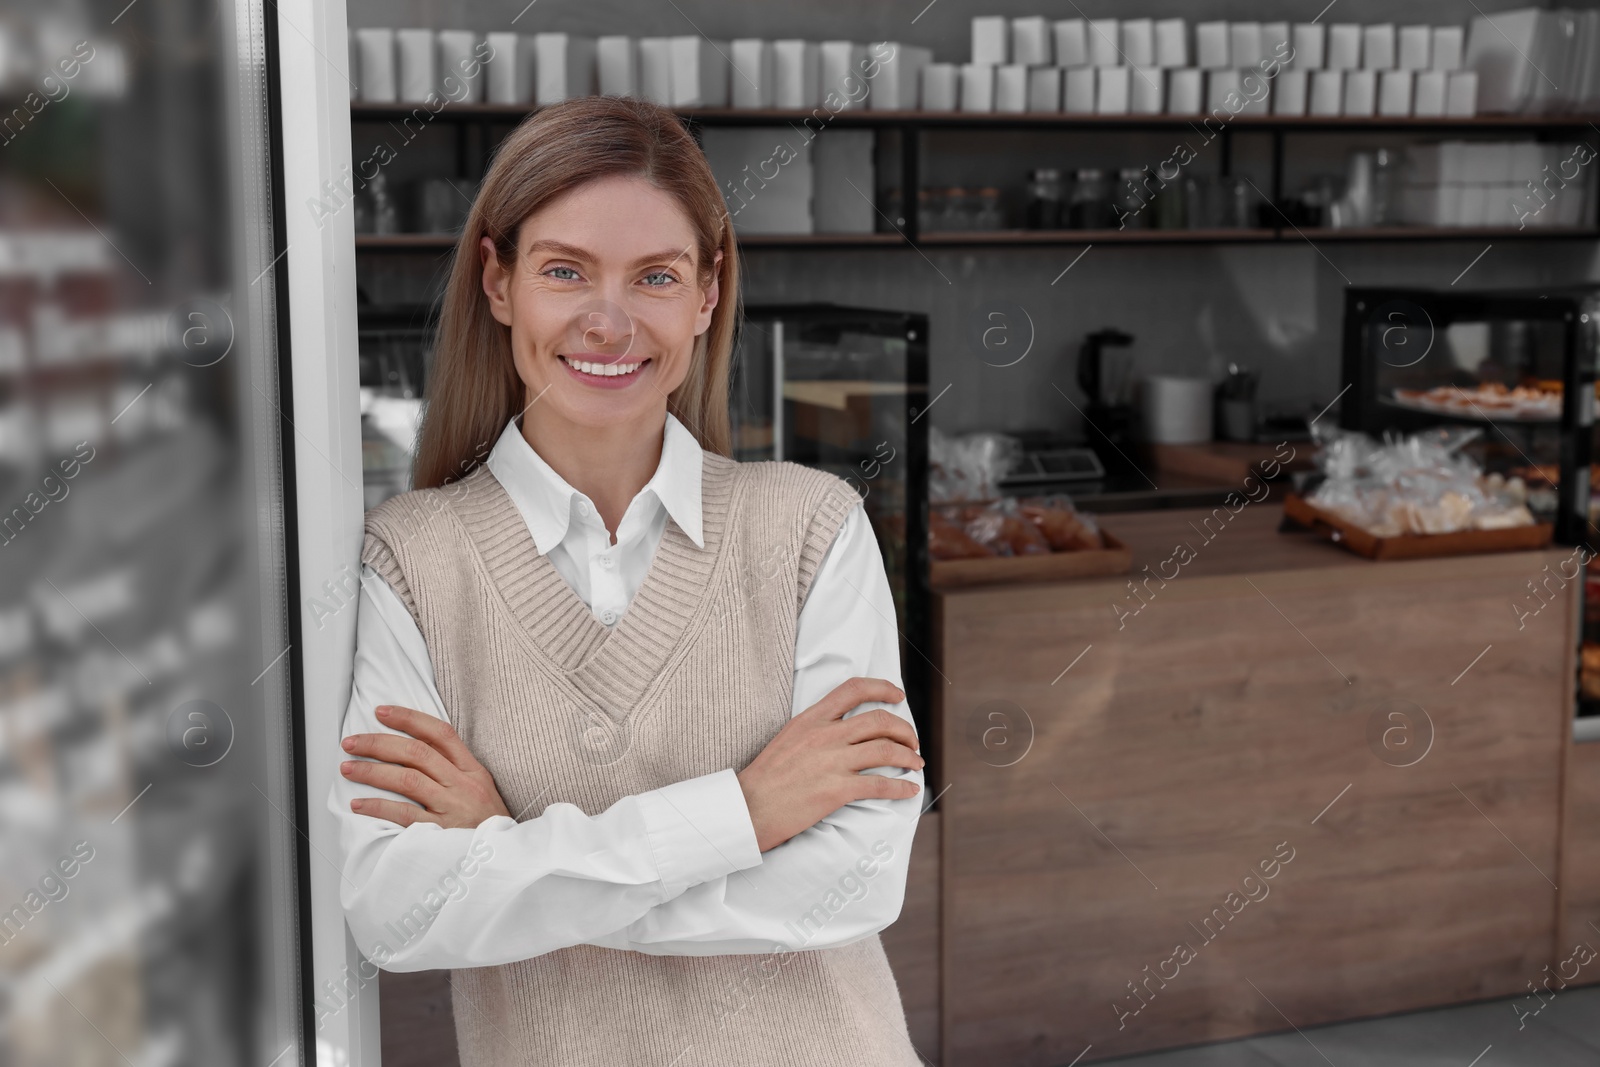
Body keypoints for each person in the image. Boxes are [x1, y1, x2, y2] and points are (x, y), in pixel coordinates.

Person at [327, 95, 926, 1066]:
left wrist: (514, 853)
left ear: (704, 295)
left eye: (655, 276)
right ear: (497, 281)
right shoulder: (413, 559)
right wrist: (744, 812)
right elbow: (396, 913)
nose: (609, 322)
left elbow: (854, 880)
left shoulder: (813, 528)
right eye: (566, 270)